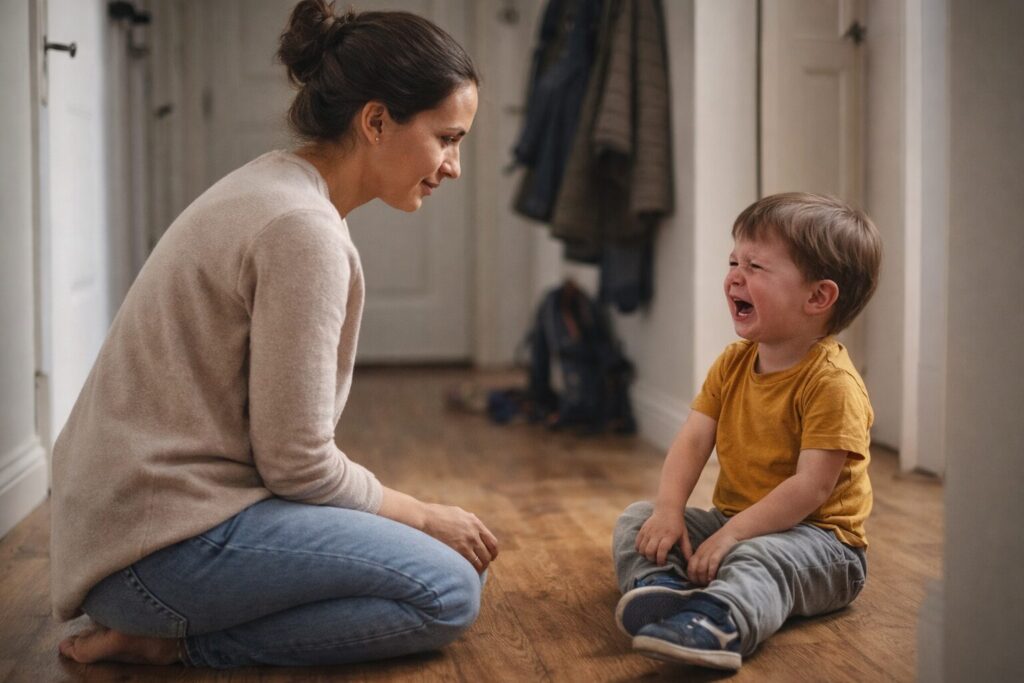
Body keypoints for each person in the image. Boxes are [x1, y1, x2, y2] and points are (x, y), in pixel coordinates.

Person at [53, 0, 498, 668]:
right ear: (376, 120)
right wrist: (422, 512)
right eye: (447, 137)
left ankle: (166, 625)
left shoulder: (279, 187)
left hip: (136, 531)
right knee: (447, 588)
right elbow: (298, 463)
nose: (454, 166)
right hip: (154, 552)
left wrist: (402, 517)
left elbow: (284, 457)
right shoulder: (302, 229)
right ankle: (175, 640)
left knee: (435, 553)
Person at [612, 192, 882, 671]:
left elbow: (812, 486)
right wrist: (670, 511)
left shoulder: (832, 384)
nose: (734, 275)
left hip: (821, 545)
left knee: (758, 559)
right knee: (639, 518)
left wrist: (734, 535)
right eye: (734, 260)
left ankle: (721, 621)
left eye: (756, 267)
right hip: (737, 520)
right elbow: (694, 440)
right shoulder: (734, 362)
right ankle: (664, 592)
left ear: (817, 297)